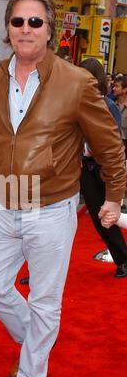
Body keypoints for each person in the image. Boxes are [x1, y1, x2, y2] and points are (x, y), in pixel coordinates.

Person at [0, 0, 126, 377]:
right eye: (18, 22)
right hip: (5, 201)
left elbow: (108, 146)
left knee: (45, 300)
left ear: (50, 30)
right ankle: (36, 339)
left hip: (52, 206)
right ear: (9, 29)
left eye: (35, 22)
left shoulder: (76, 82)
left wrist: (113, 196)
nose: (26, 29)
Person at [79, 58, 127, 278]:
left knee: (106, 217)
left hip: (103, 168)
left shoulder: (108, 106)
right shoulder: (74, 104)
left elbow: (115, 140)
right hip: (83, 168)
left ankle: (123, 259)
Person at [113, 75, 127, 158]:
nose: (114, 88)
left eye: (117, 86)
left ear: (125, 89)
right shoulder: (111, 105)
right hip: (112, 144)